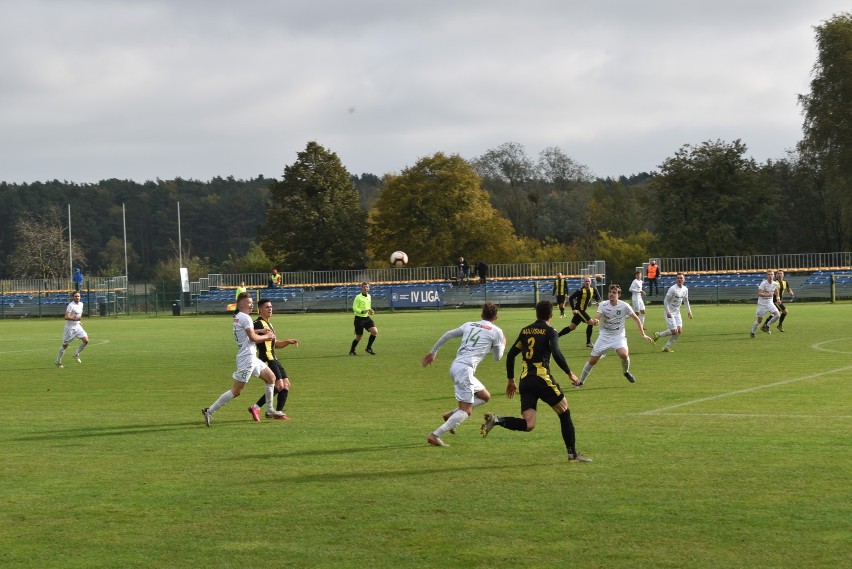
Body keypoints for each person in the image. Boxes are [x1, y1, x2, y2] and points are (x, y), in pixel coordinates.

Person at [480, 300, 591, 463]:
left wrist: (510, 380)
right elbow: (557, 353)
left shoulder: (525, 331)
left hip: (525, 380)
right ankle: (572, 454)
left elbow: (511, 355)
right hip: (541, 378)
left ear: (536, 313)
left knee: (529, 424)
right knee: (564, 412)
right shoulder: (550, 331)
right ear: (551, 315)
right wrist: (570, 373)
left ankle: (497, 420)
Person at [421, 302, 505, 447]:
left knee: (485, 396)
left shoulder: (469, 324)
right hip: (464, 370)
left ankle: (450, 415)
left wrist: (433, 352)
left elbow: (448, 334)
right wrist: (502, 343)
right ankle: (435, 435)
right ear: (496, 317)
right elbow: (497, 358)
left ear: (481, 315)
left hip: (456, 366)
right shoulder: (496, 331)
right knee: (466, 410)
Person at [202, 292, 286, 426]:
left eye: (252, 302)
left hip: (251, 356)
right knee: (236, 391)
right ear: (242, 305)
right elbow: (252, 338)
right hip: (246, 358)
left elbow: (248, 333)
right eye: (249, 302)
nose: (252, 304)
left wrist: (261, 331)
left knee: (271, 378)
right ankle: (209, 411)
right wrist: (266, 337)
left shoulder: (238, 317)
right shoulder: (246, 318)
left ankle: (269, 409)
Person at [576, 284, 653, 387]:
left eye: (614, 292)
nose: (611, 294)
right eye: (610, 292)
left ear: (618, 295)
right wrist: (596, 321)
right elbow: (597, 316)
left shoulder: (624, 306)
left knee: (624, 354)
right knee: (593, 360)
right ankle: (580, 382)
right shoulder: (603, 304)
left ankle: (626, 372)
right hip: (604, 336)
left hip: (618, 336)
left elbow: (636, 319)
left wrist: (643, 334)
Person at [248, 298, 300, 422]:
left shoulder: (269, 324)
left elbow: (275, 344)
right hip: (266, 359)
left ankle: (277, 412)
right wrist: (259, 331)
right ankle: (257, 407)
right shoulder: (258, 323)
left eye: (271, 307)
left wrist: (287, 342)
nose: (270, 309)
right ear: (260, 309)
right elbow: (248, 332)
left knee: (286, 384)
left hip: (274, 358)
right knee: (279, 385)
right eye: (267, 307)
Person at [652, 272, 693, 352]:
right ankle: (658, 334)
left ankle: (666, 347)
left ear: (684, 280)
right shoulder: (673, 289)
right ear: (676, 279)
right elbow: (665, 301)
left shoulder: (685, 289)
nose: (679, 279)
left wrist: (689, 312)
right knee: (674, 331)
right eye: (678, 278)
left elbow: (686, 301)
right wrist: (668, 312)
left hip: (677, 313)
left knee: (679, 331)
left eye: (681, 278)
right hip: (669, 312)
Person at [558, 277, 601, 348]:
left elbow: (597, 297)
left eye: (588, 281)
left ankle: (555, 336)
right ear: (584, 282)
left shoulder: (593, 289)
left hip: (582, 310)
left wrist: (598, 302)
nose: (587, 282)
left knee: (571, 327)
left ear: (590, 282)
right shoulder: (580, 290)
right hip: (579, 310)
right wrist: (573, 309)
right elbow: (571, 298)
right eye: (586, 281)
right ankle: (588, 342)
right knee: (590, 322)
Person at [55, 291, 89, 368]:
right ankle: (58, 361)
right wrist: (76, 319)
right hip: (70, 328)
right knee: (65, 345)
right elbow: (66, 317)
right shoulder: (71, 305)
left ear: (80, 297)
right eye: (75, 296)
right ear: (73, 297)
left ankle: (76, 354)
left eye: (78, 296)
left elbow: (78, 315)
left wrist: (79, 321)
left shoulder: (81, 304)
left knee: (86, 341)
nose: (77, 298)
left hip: (77, 326)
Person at [349, 282, 378, 355]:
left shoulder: (369, 296)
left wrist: (371, 311)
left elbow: (368, 307)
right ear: (361, 288)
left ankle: (368, 348)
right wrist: (362, 311)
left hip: (366, 318)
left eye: (367, 287)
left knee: (374, 332)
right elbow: (354, 308)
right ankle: (352, 350)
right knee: (359, 337)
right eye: (364, 287)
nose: (366, 288)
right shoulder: (358, 297)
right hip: (359, 319)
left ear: (369, 288)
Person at [750, 270, 780, 338]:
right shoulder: (763, 283)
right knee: (759, 320)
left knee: (777, 315)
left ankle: (767, 325)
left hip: (770, 303)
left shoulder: (775, 283)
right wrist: (767, 295)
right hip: (762, 304)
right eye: (769, 274)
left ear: (774, 275)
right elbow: (760, 293)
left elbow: (776, 291)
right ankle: (752, 332)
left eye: (771, 274)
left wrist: (778, 298)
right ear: (767, 276)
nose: (770, 276)